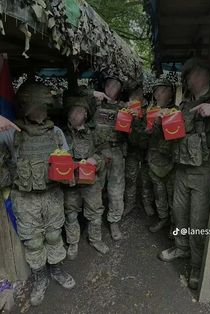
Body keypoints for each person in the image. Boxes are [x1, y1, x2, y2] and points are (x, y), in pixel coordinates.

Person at [0, 82, 75, 306]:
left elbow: (67, 163)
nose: (40, 111)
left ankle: (57, 270)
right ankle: (40, 277)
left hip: (52, 195)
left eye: (43, 106)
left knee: (53, 234)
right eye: (36, 106)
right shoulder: (12, 133)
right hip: (25, 199)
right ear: (26, 107)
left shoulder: (56, 133)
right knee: (33, 241)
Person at [158, 58, 210, 290]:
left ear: (208, 75)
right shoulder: (185, 104)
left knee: (198, 220)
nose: (190, 79)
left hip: (205, 170)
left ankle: (198, 266)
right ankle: (181, 248)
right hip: (182, 167)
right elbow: (175, 132)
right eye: (189, 75)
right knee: (179, 212)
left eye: (195, 74)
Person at [63, 94, 109, 257]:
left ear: (86, 115)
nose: (74, 114)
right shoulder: (60, 133)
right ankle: (73, 243)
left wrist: (95, 160)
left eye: (79, 111)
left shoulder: (94, 133)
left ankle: (95, 239)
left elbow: (105, 154)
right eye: (72, 111)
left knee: (95, 213)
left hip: (90, 182)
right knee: (70, 214)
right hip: (70, 182)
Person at [93, 76, 127, 240]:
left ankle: (114, 222)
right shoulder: (93, 104)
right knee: (95, 189)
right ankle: (95, 222)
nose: (112, 88)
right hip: (98, 153)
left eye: (116, 85)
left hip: (116, 152)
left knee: (116, 190)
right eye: (109, 84)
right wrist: (93, 94)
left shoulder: (123, 108)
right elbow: (74, 96)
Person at [147, 79, 176, 234]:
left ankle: (174, 223)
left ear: (171, 94)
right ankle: (163, 218)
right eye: (157, 90)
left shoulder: (176, 111)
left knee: (172, 195)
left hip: (170, 161)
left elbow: (175, 136)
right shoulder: (149, 111)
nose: (159, 93)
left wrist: (163, 120)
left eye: (163, 90)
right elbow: (141, 137)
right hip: (153, 159)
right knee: (159, 194)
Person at [124, 83, 154, 217]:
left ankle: (147, 203)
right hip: (132, 148)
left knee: (146, 178)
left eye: (138, 93)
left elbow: (153, 124)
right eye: (133, 94)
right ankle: (129, 203)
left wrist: (141, 115)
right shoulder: (127, 106)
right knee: (130, 178)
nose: (135, 96)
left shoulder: (151, 108)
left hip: (146, 148)